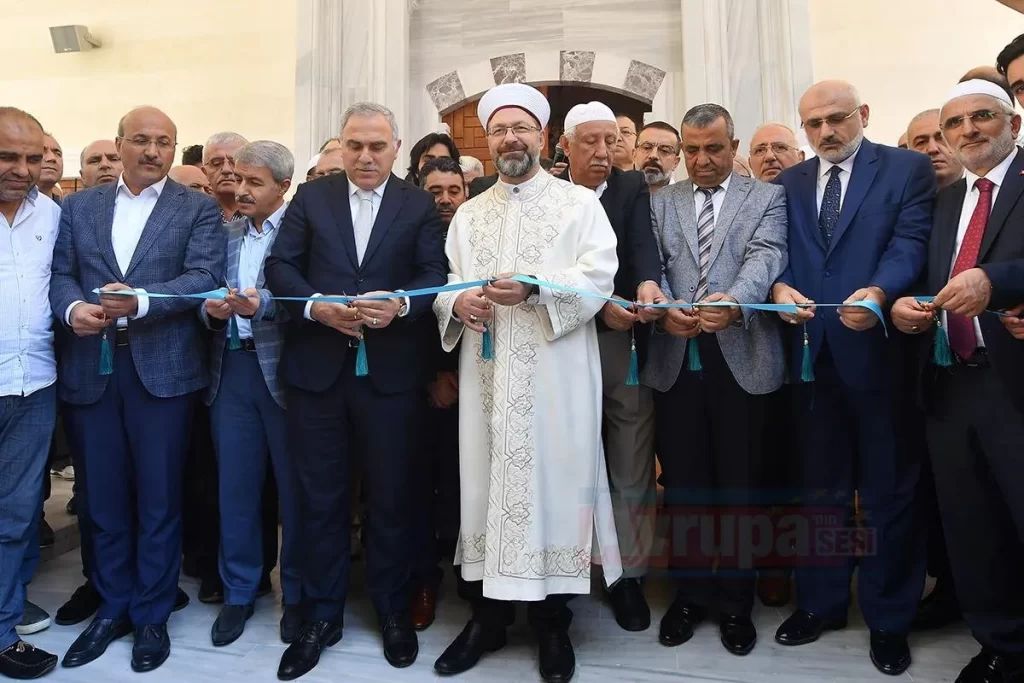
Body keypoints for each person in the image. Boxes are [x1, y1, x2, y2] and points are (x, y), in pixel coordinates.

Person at [431, 82, 625, 683]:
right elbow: (448, 282)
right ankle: (488, 619)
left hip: (557, 376)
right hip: (486, 373)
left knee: (555, 485)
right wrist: (457, 305)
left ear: (542, 137)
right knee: (487, 488)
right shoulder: (468, 212)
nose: (510, 139)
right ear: (487, 141)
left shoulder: (578, 205)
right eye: (498, 130)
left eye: (521, 129)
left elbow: (600, 276)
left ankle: (552, 623)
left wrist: (538, 286)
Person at [264, 101, 447, 679]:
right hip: (319, 376)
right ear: (341, 147)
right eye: (355, 146)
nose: (365, 156)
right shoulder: (311, 200)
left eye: (377, 146)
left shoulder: (418, 204)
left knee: (393, 498)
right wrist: (318, 308)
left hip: (391, 377)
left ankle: (392, 610)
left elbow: (433, 275)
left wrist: (400, 305)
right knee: (321, 502)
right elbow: (281, 269)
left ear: (397, 149)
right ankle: (322, 615)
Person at [50, 106, 224, 673]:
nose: (153, 151)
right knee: (100, 498)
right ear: (119, 144)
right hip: (90, 368)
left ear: (176, 150)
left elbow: (203, 278)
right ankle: (112, 604)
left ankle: (150, 612)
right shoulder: (78, 206)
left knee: (157, 497)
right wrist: (74, 307)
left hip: (163, 372)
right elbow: (60, 274)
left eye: (165, 142)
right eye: (142, 141)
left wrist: (144, 301)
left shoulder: (196, 208)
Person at [770, 80, 934, 676]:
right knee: (821, 490)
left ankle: (890, 619)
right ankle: (820, 604)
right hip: (813, 357)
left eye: (836, 120)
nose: (825, 133)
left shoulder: (907, 169)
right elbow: (777, 251)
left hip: (881, 353)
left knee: (891, 492)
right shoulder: (786, 183)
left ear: (863, 114)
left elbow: (911, 241)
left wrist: (880, 290)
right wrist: (778, 286)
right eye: (812, 125)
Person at [891, 79, 1024, 683]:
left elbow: (994, 276)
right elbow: (927, 278)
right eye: (956, 124)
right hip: (949, 384)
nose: (968, 131)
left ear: (1013, 125)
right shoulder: (946, 201)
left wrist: (997, 280)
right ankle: (1001, 644)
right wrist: (903, 309)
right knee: (973, 528)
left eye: (982, 118)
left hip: (1014, 385)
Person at [646, 103, 787, 656]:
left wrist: (737, 301)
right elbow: (652, 262)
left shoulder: (768, 199)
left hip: (743, 358)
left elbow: (767, 254)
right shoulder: (662, 202)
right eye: (693, 150)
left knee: (740, 488)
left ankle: (735, 603)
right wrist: (663, 307)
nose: (703, 161)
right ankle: (689, 595)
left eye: (715, 149)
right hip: (677, 359)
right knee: (684, 487)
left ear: (734, 146)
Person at [557, 101, 664, 632]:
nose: (604, 152)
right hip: (557, 343)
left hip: (621, 343)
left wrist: (645, 286)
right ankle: (563, 574)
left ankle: (629, 578)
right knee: (564, 461)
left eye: (612, 141)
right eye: (591, 142)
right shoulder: (546, 194)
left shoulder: (630, 189)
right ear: (564, 145)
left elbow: (643, 251)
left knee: (630, 462)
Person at [201, 141, 303, 648]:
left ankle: (300, 595)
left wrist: (260, 305)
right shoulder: (223, 232)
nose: (239, 190)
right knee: (235, 488)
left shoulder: (303, 232)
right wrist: (210, 311)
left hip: (286, 375)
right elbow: (201, 292)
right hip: (231, 372)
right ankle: (240, 590)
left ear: (283, 188)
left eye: (254, 182)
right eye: (237, 179)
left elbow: (308, 299)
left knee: (296, 493)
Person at [0, 106, 61, 681]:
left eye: (32, 158)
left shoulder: (52, 214)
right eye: (7, 157)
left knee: (17, 514)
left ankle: (2, 623)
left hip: (33, 384)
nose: (21, 170)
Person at [903, 106, 965, 634]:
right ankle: (948, 588)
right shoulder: (911, 208)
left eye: (939, 137)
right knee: (936, 491)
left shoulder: (992, 200)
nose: (932, 148)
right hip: (917, 376)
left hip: (991, 370)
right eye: (919, 141)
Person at [409, 156, 470, 630]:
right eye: (436, 190)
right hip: (425, 382)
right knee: (423, 484)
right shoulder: (413, 231)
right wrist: (435, 372)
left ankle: (472, 580)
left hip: (480, 378)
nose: (446, 199)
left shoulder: (476, 230)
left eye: (454, 189)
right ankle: (424, 579)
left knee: (467, 485)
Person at [747, 121, 805, 609]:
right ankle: (770, 566)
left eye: (780, 147)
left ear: (800, 152)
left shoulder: (811, 198)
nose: (770, 156)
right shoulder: (745, 204)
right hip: (758, 354)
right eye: (760, 149)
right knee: (765, 464)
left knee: (800, 469)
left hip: (815, 352)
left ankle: (793, 567)